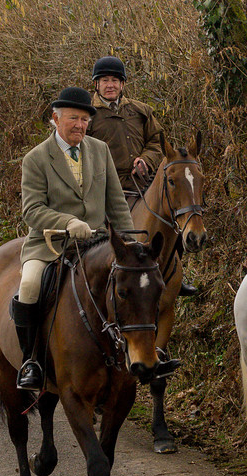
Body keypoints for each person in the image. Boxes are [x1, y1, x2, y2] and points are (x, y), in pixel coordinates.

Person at [12, 86, 135, 390]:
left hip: (96, 244)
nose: (80, 125)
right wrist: (68, 222)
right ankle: (31, 361)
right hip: (50, 245)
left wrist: (130, 243)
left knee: (135, 285)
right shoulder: (36, 159)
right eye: (73, 118)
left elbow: (117, 203)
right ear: (55, 118)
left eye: (84, 119)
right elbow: (32, 211)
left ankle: (137, 354)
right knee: (28, 285)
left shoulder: (99, 150)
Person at [86, 55, 197, 297]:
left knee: (172, 220)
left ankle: (176, 274)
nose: (110, 85)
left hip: (141, 185)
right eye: (104, 80)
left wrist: (145, 160)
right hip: (105, 189)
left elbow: (158, 144)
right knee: (103, 236)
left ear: (123, 84)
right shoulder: (89, 115)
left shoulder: (141, 110)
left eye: (115, 80)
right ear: (96, 84)